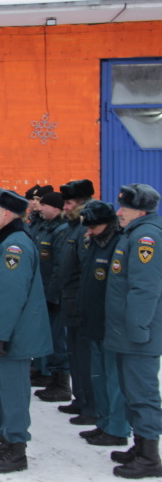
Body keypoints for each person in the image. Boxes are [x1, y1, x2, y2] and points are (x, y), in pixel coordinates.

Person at [0, 187, 52, 473]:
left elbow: (10, 294)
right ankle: (7, 438)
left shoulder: (14, 245)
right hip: (1, 333)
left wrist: (0, 334)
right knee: (2, 391)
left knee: (14, 394)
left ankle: (17, 450)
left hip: (13, 337)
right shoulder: (1, 240)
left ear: (6, 213)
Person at [105, 184, 162, 479]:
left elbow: (145, 289)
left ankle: (150, 456)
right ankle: (140, 446)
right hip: (126, 332)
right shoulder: (134, 233)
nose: (118, 213)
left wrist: (138, 330)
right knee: (131, 392)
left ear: (140, 210)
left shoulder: (146, 237)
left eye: (124, 208)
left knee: (143, 393)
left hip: (138, 333)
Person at [38, 180, 96, 427]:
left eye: (70, 203)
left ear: (82, 203)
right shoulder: (73, 227)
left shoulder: (83, 229)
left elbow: (81, 270)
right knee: (74, 352)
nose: (66, 206)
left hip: (75, 301)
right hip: (64, 298)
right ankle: (80, 399)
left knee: (84, 355)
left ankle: (90, 404)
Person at [75, 201, 130, 448]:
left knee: (114, 380)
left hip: (112, 326)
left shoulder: (120, 245)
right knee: (98, 376)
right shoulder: (96, 243)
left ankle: (117, 428)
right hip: (93, 322)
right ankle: (104, 422)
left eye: (92, 228)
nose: (88, 232)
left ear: (106, 224)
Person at [31, 191, 69, 389]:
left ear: (55, 208)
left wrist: (51, 295)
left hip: (52, 295)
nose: (39, 208)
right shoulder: (45, 227)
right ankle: (44, 373)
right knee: (44, 336)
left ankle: (60, 383)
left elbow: (58, 266)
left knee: (57, 338)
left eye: (43, 205)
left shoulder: (61, 230)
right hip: (42, 292)